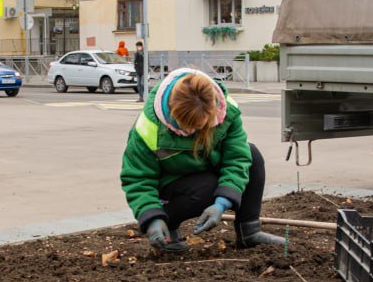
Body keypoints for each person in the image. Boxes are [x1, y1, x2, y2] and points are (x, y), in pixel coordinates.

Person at [121, 68, 285, 252]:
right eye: (185, 127)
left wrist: (222, 202)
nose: (192, 133)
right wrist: (151, 217)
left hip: (204, 171)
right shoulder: (148, 128)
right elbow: (138, 179)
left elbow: (237, 158)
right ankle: (167, 228)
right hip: (170, 187)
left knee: (251, 154)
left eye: (199, 126)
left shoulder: (226, 111)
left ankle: (249, 231)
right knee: (207, 186)